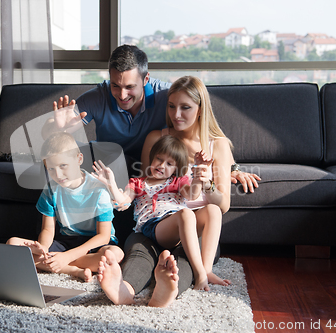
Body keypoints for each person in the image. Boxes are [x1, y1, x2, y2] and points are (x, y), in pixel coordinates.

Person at [42, 44, 260, 193]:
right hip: (112, 162)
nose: (122, 94)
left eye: (130, 87)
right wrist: (57, 128)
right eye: (115, 85)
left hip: (153, 164)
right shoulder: (99, 96)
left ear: (146, 78)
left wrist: (232, 168)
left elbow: (204, 126)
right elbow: (48, 134)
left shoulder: (167, 96)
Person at [96, 75, 236, 307]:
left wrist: (206, 181)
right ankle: (124, 288)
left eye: (185, 108)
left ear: (201, 109)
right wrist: (114, 187)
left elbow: (222, 206)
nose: (176, 115)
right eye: (171, 106)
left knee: (185, 260)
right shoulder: (157, 138)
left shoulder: (217, 145)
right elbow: (145, 184)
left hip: (195, 229)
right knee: (141, 254)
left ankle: (169, 290)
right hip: (153, 223)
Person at [92, 135, 231, 292]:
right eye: (159, 159)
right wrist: (111, 185)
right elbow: (123, 202)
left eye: (169, 163)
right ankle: (200, 275)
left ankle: (207, 270)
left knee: (213, 209)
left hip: (180, 224)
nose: (162, 165)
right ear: (152, 158)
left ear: (175, 168)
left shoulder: (178, 181)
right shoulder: (138, 183)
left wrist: (199, 174)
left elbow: (192, 194)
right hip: (154, 227)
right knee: (186, 214)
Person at [7, 132, 124, 282]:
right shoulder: (50, 189)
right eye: (51, 169)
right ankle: (73, 270)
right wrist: (42, 248)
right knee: (13, 243)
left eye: (63, 166)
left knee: (114, 254)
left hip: (94, 244)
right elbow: (48, 229)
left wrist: (67, 256)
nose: (58, 174)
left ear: (79, 159)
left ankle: (58, 263)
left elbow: (103, 236)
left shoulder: (99, 190)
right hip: (66, 241)